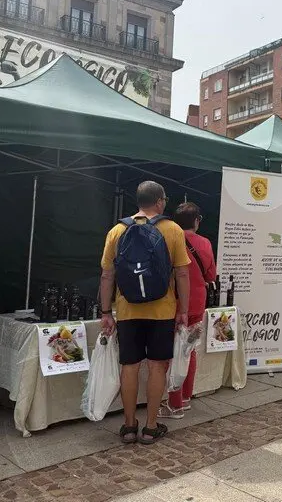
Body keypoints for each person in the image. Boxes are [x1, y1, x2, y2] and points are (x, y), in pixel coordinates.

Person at [100, 181, 191, 445]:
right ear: (160, 201)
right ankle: (151, 427)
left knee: (129, 366)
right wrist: (184, 310)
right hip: (162, 311)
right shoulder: (172, 229)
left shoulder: (117, 231)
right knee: (156, 366)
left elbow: (107, 275)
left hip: (128, 310)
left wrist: (106, 311)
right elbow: (182, 273)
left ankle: (129, 426)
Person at [159, 202, 217, 419]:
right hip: (197, 302)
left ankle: (174, 405)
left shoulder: (169, 239)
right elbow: (211, 276)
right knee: (188, 350)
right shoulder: (205, 243)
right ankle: (185, 397)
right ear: (196, 221)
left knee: (173, 351)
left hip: (174, 303)